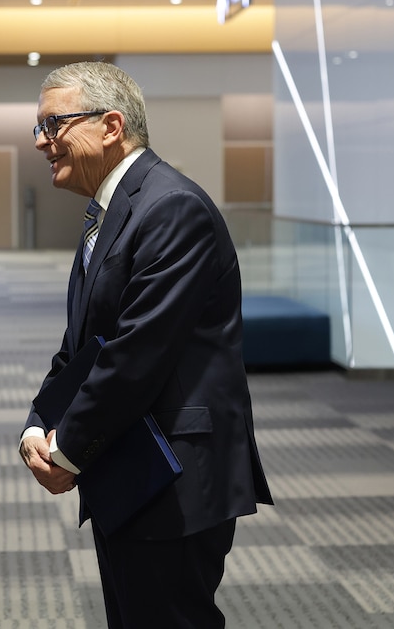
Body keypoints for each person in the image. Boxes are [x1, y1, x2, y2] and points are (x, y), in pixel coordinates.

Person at [19, 61, 273, 628]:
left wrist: (67, 450)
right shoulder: (108, 211)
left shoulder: (171, 207)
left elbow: (138, 353)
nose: (42, 141)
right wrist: (38, 422)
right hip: (129, 470)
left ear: (111, 126)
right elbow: (82, 345)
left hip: (173, 475)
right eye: (38, 127)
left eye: (55, 124)